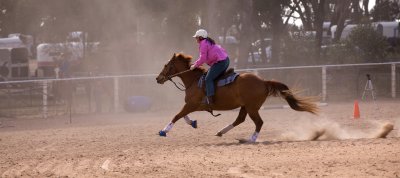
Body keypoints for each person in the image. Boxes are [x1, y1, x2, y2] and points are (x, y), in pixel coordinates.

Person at [190, 29, 230, 106]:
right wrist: (195, 64)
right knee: (211, 76)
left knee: (208, 78)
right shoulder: (207, 42)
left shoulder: (203, 44)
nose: (196, 39)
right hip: (225, 60)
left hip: (221, 62)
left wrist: (195, 65)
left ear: (201, 37)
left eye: (196, 37)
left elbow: (203, 58)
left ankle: (210, 99)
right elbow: (202, 58)